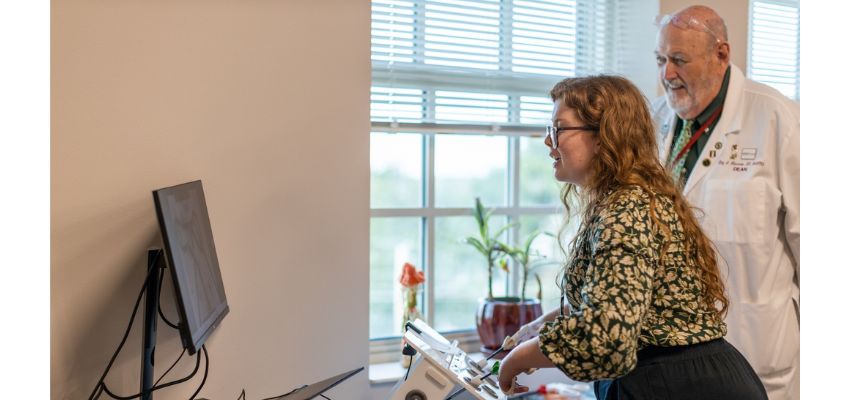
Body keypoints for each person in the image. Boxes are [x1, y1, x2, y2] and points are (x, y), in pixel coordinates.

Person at [496, 75, 767, 400]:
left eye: (559, 128)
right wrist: (538, 328)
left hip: (679, 384)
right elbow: (617, 298)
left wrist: (517, 359)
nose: (548, 141)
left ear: (602, 137)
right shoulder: (625, 201)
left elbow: (607, 338)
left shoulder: (627, 209)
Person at [652, 6, 799, 399]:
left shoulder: (778, 118)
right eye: (661, 59)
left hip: (754, 349)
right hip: (672, 359)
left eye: (679, 60)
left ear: (721, 55)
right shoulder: (658, 122)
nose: (667, 74)